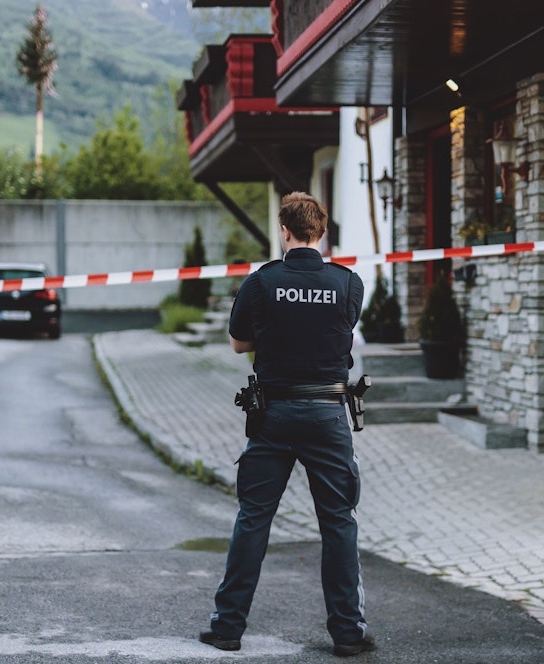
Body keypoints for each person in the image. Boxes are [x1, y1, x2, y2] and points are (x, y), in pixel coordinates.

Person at [199, 192, 375, 657]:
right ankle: (348, 634)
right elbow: (336, 331)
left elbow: (239, 344)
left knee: (253, 518)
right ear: (322, 232)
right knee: (338, 522)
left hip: (273, 414)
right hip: (328, 414)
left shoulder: (261, 282)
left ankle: (227, 628)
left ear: (284, 231)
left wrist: (274, 329)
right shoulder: (348, 283)